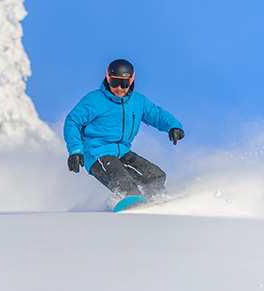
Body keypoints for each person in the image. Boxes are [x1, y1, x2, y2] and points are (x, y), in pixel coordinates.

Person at [63, 58, 185, 199]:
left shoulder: (138, 101)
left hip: (123, 153)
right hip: (97, 153)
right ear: (108, 79)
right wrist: (75, 151)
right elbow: (72, 122)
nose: (119, 88)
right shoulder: (94, 100)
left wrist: (173, 126)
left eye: (124, 83)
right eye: (115, 82)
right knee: (124, 182)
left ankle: (158, 199)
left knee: (155, 176)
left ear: (131, 81)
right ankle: (131, 203)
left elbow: (156, 114)